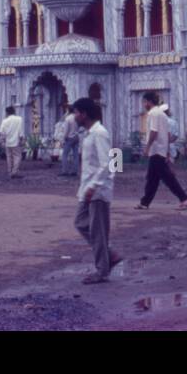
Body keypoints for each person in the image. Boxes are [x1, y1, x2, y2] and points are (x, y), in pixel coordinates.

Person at [72, 97, 122, 284]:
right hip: (88, 187)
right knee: (81, 223)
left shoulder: (100, 133)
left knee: (97, 230)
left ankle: (102, 270)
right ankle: (110, 256)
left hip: (98, 190)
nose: (74, 116)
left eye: (76, 112)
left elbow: (109, 163)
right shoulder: (89, 133)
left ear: (84, 114)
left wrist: (95, 186)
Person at [136, 92, 187, 210]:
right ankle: (145, 202)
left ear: (149, 101)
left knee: (167, 178)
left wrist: (147, 147)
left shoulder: (153, 113)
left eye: (144, 102)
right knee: (152, 178)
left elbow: (154, 132)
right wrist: (166, 150)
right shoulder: (162, 114)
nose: (144, 104)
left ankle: (185, 198)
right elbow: (167, 134)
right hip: (160, 150)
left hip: (156, 150)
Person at [0, 105, 25, 179]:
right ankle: (15, 171)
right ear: (14, 111)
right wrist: (22, 139)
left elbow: (1, 132)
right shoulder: (19, 119)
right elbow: (21, 130)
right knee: (17, 157)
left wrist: (1, 141)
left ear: (7, 112)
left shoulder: (5, 121)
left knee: (9, 157)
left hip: (8, 142)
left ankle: (10, 172)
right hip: (16, 141)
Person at [60, 110, 81, 177]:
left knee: (65, 155)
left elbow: (66, 130)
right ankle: (74, 171)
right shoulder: (77, 118)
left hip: (69, 138)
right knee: (75, 155)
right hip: (76, 137)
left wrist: (64, 139)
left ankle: (65, 171)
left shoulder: (68, 118)